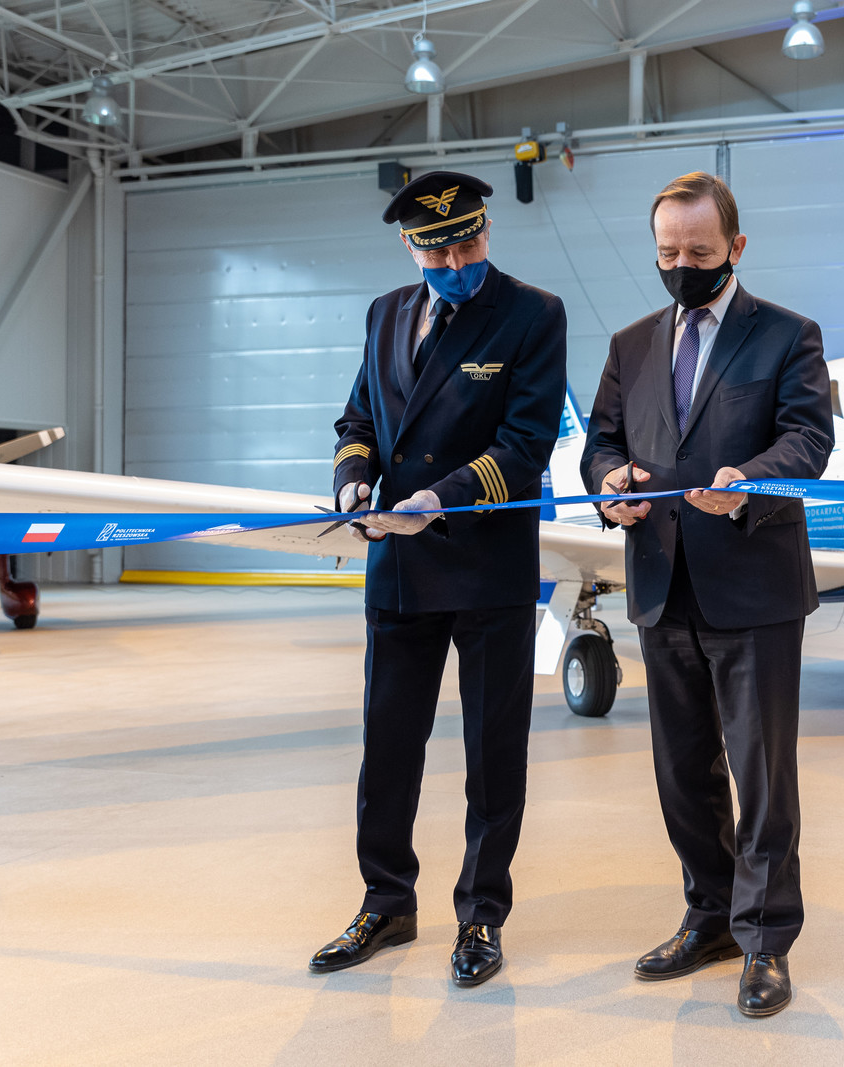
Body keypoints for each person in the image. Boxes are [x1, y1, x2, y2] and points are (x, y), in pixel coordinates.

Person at [580, 171, 832, 1017]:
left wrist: (749, 481)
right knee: (682, 770)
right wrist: (608, 483)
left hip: (753, 583)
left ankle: (766, 938)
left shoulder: (788, 335)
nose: (682, 266)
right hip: (661, 583)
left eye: (699, 250)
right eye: (668, 252)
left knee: (762, 774)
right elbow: (601, 441)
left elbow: (808, 439)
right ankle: (711, 914)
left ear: (736, 247)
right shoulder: (631, 344)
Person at [309, 170, 567, 988]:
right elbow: (358, 417)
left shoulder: (532, 313)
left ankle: (481, 913)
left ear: (487, 232)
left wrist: (438, 499)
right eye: (439, 252)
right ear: (409, 247)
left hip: (487, 560)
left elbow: (525, 444)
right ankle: (385, 900)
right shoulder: (386, 312)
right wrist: (354, 479)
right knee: (387, 745)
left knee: (493, 752)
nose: (458, 263)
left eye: (469, 243)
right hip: (398, 562)